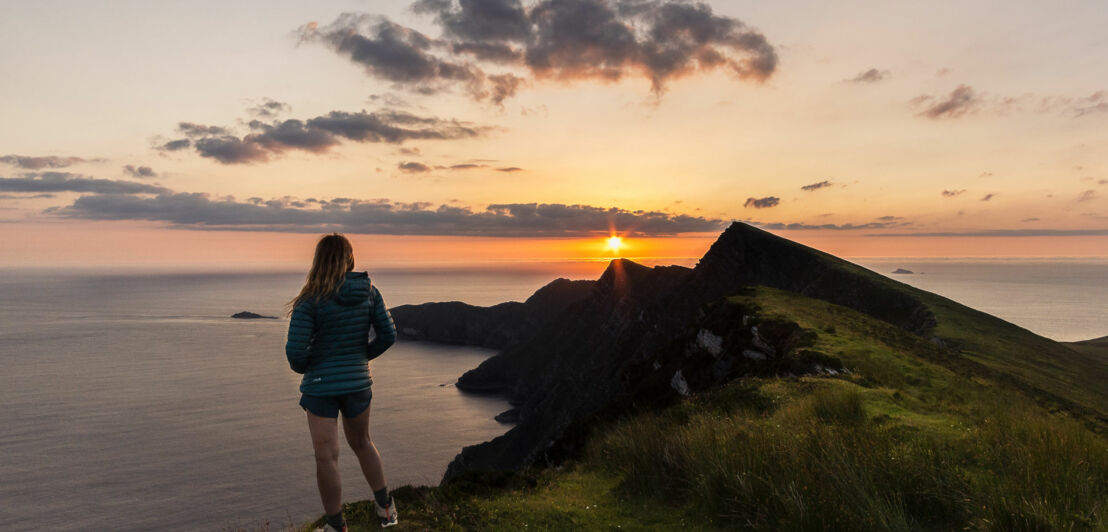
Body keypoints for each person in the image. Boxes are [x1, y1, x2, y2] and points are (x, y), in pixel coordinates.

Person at [285, 233, 399, 530]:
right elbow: (388, 335)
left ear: (319, 260)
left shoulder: (311, 299)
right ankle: (386, 510)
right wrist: (361, 359)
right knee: (363, 442)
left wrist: (312, 366)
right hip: (358, 383)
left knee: (327, 457)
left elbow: (296, 353)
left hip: (321, 388)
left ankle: (336, 526)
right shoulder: (370, 292)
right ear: (349, 258)